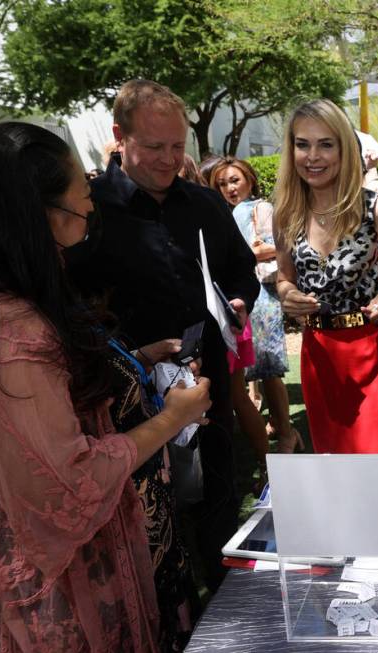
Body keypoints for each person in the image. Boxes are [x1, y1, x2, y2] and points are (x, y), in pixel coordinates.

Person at [0, 121, 212, 652]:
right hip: (72, 591)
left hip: (123, 550)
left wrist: (134, 361)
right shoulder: (15, 334)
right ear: (42, 213)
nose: (91, 203)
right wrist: (172, 418)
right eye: (82, 193)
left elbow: (58, 397)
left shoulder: (31, 295)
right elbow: (66, 488)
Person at [65, 80, 260, 593]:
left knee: (217, 517)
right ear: (118, 137)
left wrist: (239, 302)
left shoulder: (204, 205)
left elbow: (243, 271)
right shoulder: (87, 213)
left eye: (178, 147)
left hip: (207, 392)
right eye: (154, 147)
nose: (169, 159)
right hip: (122, 406)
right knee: (144, 539)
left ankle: (225, 624)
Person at [274, 99, 378, 454]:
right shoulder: (285, 215)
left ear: (344, 149)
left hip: (376, 354)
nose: (313, 156)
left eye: (325, 144)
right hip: (319, 358)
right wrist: (287, 295)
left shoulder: (377, 208)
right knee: (335, 470)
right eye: (302, 144)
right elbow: (284, 278)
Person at [210, 157, 301, 470]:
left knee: (269, 366)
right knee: (257, 369)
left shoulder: (260, 208)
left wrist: (241, 254)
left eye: (234, 180)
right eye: (222, 183)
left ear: (249, 178)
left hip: (260, 293)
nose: (229, 188)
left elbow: (276, 247)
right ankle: (281, 426)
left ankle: (287, 433)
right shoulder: (224, 211)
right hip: (243, 295)